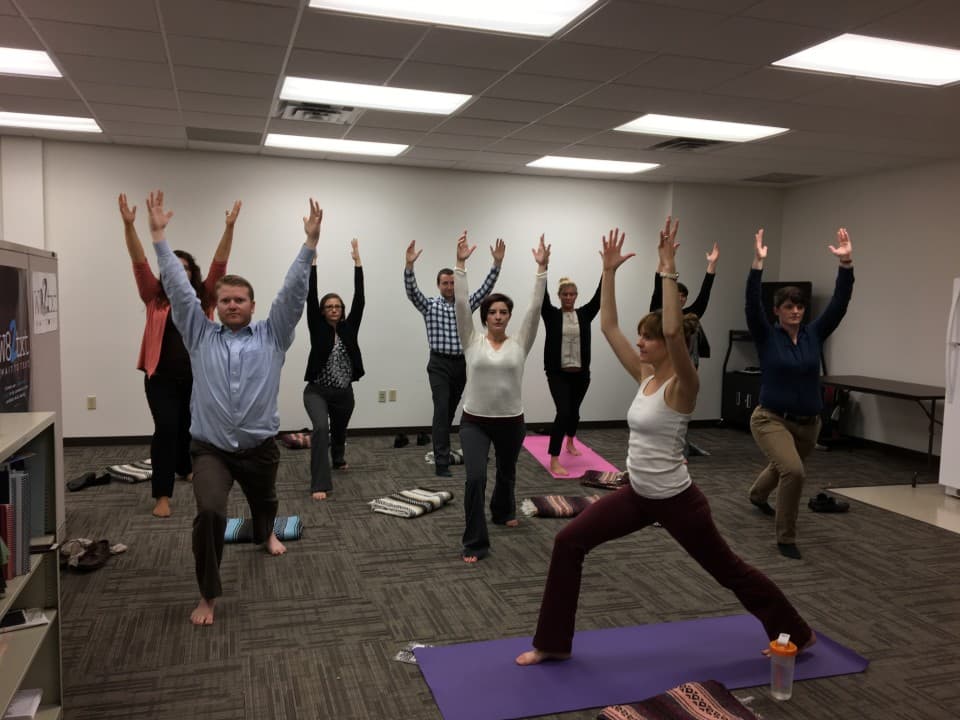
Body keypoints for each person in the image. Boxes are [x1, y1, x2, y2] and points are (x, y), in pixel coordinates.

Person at [516, 220, 815, 666]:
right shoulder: (647, 376)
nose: (640, 342)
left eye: (648, 338)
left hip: (679, 502)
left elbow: (676, 333)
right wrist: (609, 271)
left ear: (667, 346)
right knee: (568, 543)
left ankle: (797, 633)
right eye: (642, 336)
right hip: (638, 494)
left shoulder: (684, 386)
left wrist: (668, 270)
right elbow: (609, 326)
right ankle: (553, 643)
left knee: (729, 571)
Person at [146, 190, 321, 626]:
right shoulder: (199, 334)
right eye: (225, 300)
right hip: (211, 450)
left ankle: (266, 532)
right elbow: (179, 290)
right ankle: (208, 594)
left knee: (266, 503)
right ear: (217, 307)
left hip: (261, 447)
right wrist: (159, 237)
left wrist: (310, 247)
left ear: (252, 305)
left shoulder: (273, 335)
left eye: (240, 299)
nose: (233, 305)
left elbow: (292, 294)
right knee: (209, 514)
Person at [120, 192, 240, 518]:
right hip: (159, 378)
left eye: (186, 267)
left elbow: (220, 263)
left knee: (189, 426)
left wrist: (229, 227)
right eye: (175, 266)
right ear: (168, 271)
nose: (181, 271)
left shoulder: (205, 299)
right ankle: (162, 494)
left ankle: (184, 466)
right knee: (167, 428)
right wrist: (130, 226)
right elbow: (139, 260)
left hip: (196, 377)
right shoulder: (153, 296)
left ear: (193, 273)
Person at [745, 227, 854, 560]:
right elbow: (751, 305)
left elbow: (839, 304)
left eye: (800, 307)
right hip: (771, 418)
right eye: (789, 307)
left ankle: (757, 495)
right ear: (777, 310)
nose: (795, 311)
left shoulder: (814, 334)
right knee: (793, 471)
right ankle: (786, 537)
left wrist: (846, 263)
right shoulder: (767, 336)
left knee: (783, 468)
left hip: (810, 423)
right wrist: (757, 265)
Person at [455, 233, 548, 563]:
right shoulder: (472, 341)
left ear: (509, 316)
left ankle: (503, 509)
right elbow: (462, 304)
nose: (498, 316)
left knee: (507, 471)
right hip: (474, 423)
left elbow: (535, 308)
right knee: (476, 478)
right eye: (493, 312)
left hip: (511, 421)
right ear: (485, 317)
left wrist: (542, 269)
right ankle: (475, 542)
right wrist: (461, 265)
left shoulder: (520, 343)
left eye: (503, 311)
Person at [404, 236, 504, 476]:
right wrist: (409, 266)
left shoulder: (465, 304)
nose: (449, 286)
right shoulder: (429, 305)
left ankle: (442, 446)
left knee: (449, 412)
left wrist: (496, 265)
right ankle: (441, 462)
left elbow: (486, 289)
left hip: (461, 364)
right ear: (438, 285)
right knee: (441, 410)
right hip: (438, 364)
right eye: (445, 283)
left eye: (452, 283)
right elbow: (411, 292)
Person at [303, 239, 365, 500]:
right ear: (322, 311)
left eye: (337, 306)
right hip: (317, 391)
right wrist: (313, 262)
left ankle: (338, 457)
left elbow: (359, 299)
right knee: (320, 429)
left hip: (343, 392)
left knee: (339, 430)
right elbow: (310, 294)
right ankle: (319, 483)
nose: (334, 309)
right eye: (329, 307)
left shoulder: (350, 327)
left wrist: (358, 264)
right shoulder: (317, 327)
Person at [540, 274, 601, 475]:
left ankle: (570, 440)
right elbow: (542, 295)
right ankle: (554, 458)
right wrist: (544, 267)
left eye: (572, 294)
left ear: (576, 296)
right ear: (559, 296)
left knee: (574, 412)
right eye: (565, 294)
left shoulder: (584, 314)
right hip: (558, 374)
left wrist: (607, 270)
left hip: (581, 374)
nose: (568, 297)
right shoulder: (551, 315)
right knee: (564, 412)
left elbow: (599, 297)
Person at [649, 241, 718, 368]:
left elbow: (704, 295)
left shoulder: (688, 317)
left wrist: (712, 265)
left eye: (684, 296)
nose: (681, 298)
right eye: (677, 295)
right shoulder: (659, 314)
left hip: (685, 369)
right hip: (662, 366)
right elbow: (658, 287)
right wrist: (664, 260)